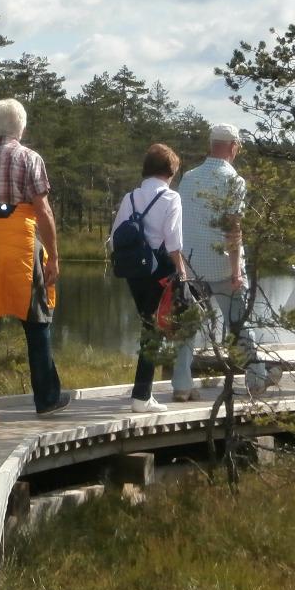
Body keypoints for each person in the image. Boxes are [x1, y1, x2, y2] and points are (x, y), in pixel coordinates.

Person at [0, 98, 72, 416]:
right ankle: (47, 398)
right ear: (21, 127)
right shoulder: (29, 157)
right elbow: (43, 210)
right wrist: (54, 256)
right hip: (22, 249)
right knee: (37, 322)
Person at [177, 122, 272, 399]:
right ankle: (256, 379)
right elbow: (233, 228)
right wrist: (236, 271)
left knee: (187, 326)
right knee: (238, 323)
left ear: (211, 145)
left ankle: (182, 386)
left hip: (190, 264)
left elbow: (181, 220)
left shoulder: (189, 177)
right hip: (221, 266)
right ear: (233, 146)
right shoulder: (234, 181)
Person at [111, 143, 189, 413]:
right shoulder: (171, 198)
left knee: (149, 326)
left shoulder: (130, 197)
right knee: (154, 330)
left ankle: (142, 394)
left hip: (134, 271)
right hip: (158, 272)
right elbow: (174, 241)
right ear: (170, 171)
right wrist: (182, 273)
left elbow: (115, 236)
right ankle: (142, 397)